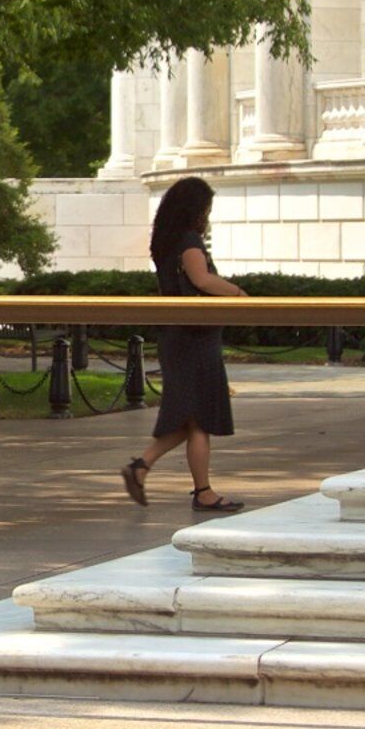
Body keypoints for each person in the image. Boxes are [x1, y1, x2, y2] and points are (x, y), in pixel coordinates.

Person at [123, 174, 251, 509]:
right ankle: (199, 491)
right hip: (194, 337)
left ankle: (145, 468)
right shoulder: (189, 241)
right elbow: (201, 279)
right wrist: (239, 294)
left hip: (177, 335)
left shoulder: (165, 242)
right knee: (199, 415)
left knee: (191, 417)